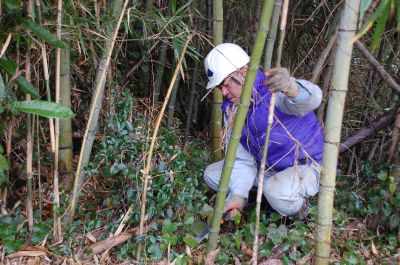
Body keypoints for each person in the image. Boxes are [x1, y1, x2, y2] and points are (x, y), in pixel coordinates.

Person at [203, 43, 324, 220]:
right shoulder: (233, 110)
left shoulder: (272, 90)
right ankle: (266, 195)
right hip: (267, 169)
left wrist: (291, 87)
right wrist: (237, 196)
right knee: (212, 175)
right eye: (219, 87)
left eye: (226, 84)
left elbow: (310, 100)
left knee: (275, 190)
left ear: (243, 72)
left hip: (305, 166)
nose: (224, 92)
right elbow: (241, 159)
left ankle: (301, 210)